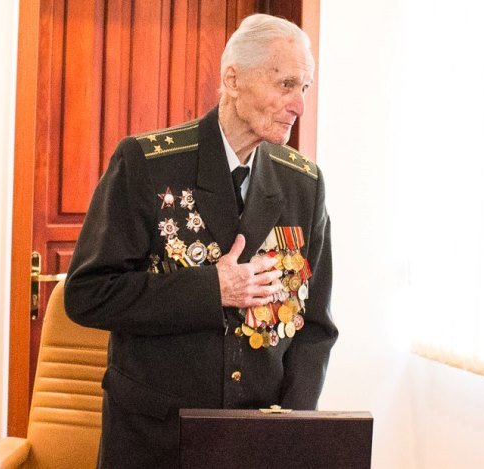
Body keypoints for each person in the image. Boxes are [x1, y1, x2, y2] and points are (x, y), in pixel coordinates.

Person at [65, 14, 336, 468]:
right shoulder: (147, 163)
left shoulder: (302, 184)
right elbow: (88, 295)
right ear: (233, 80)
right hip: (155, 439)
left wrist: (290, 429)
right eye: (286, 84)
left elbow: (316, 328)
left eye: (304, 87)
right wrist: (212, 289)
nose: (299, 105)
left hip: (256, 443)